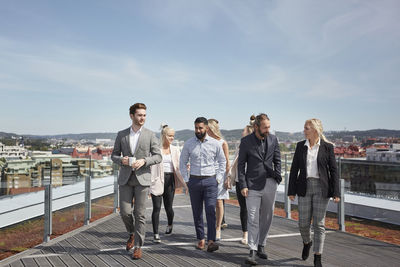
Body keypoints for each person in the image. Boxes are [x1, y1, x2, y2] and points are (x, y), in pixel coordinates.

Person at [111, 103, 162, 260]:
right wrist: (122, 160)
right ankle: (131, 233)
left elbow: (158, 156)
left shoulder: (151, 135)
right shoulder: (121, 135)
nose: (143, 118)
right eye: (140, 115)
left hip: (142, 179)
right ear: (132, 116)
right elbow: (113, 155)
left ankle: (138, 246)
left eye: (144, 115)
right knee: (125, 212)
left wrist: (144, 161)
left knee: (140, 214)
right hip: (125, 178)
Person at [288, 118, 340, 267]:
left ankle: (318, 257)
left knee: (319, 224)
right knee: (303, 223)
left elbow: (334, 171)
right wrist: (291, 191)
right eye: (304, 128)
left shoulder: (327, 147)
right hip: (304, 187)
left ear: (315, 130)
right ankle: (307, 242)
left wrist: (336, 192)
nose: (304, 131)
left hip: (321, 188)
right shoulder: (300, 146)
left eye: (307, 128)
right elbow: (294, 170)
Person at [238, 113, 281, 265]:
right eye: (265, 127)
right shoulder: (245, 141)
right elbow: (241, 165)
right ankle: (252, 250)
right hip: (252, 185)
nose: (268, 129)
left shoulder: (274, 139)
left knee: (267, 217)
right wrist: (243, 184)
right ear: (256, 127)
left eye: (269, 126)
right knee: (253, 217)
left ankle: (262, 244)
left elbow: (277, 159)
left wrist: (278, 177)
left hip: (270, 183)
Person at [179, 117, 226, 252]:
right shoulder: (188, 144)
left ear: (206, 128)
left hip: (211, 181)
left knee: (211, 210)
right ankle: (201, 239)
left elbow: (222, 162)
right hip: (194, 181)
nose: (198, 130)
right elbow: (182, 162)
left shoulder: (215, 144)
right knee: (197, 212)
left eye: (200, 128)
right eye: (196, 128)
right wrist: (187, 179)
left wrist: (218, 178)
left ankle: (211, 241)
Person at [150, 125, 188, 243]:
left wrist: (186, 173)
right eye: (170, 135)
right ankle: (156, 233)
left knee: (168, 207)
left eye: (173, 136)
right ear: (163, 135)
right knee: (156, 207)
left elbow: (180, 165)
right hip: (157, 179)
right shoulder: (156, 149)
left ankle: (170, 224)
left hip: (170, 179)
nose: (172, 138)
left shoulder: (175, 149)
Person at [229, 115, 255, 245]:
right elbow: (234, 163)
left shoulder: (254, 146)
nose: (241, 132)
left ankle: (254, 233)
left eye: (243, 131)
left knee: (253, 209)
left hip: (253, 182)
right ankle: (245, 233)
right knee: (243, 208)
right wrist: (230, 177)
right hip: (240, 181)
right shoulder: (240, 146)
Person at [207, 119, 230, 241]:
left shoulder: (222, 142)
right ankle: (211, 227)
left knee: (219, 202)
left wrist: (228, 178)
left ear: (211, 129)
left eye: (207, 128)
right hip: (208, 175)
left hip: (220, 176)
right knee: (209, 203)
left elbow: (227, 162)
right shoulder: (205, 142)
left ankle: (217, 228)